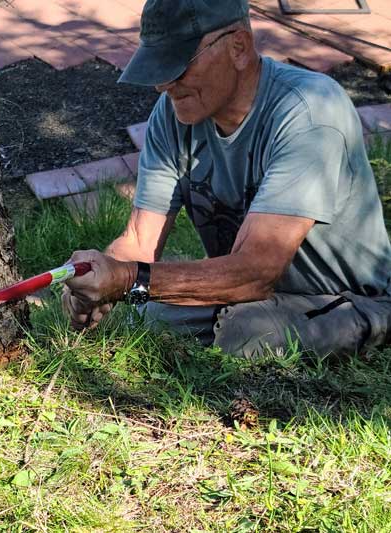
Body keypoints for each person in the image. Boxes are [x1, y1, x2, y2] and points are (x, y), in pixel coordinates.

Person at [62, 0, 391, 358]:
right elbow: (139, 242)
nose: (163, 84)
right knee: (134, 315)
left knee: (246, 331)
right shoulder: (173, 115)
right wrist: (96, 276)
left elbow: (256, 271)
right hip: (242, 295)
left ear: (238, 47)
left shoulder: (310, 109)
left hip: (348, 300)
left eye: (178, 64)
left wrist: (127, 280)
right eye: (158, 65)